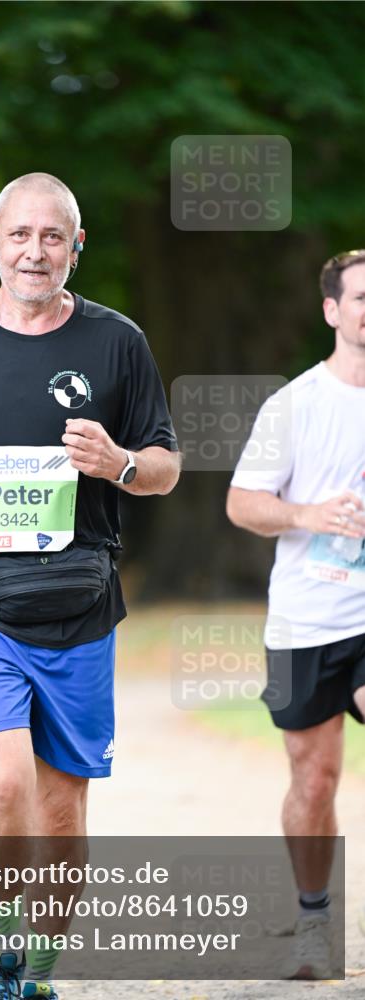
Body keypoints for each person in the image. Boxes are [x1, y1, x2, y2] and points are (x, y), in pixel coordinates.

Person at [0, 172, 180, 998]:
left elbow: (164, 464)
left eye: (52, 237)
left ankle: (40, 976)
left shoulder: (117, 341)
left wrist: (118, 463)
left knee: (59, 814)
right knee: (4, 781)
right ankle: (0, 955)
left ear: (75, 246)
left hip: (79, 607)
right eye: (19, 235)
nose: (34, 251)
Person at [226, 250, 365, 979]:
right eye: (362, 297)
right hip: (307, 617)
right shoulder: (292, 406)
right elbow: (241, 503)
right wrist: (309, 512)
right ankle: (314, 921)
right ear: (332, 310)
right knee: (313, 780)